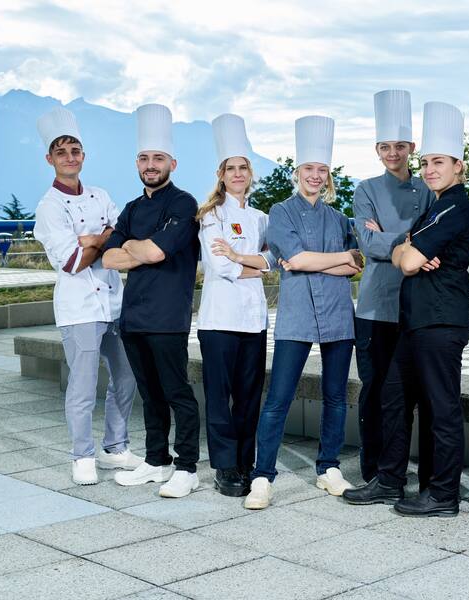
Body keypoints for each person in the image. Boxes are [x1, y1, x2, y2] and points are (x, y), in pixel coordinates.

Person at [244, 115, 363, 510]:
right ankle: (263, 475)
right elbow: (292, 258)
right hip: (296, 315)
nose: (316, 175)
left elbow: (357, 264)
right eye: (309, 169)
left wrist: (321, 260)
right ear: (298, 172)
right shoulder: (281, 211)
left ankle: (328, 467)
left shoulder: (339, 218)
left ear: (328, 176)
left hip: (338, 315)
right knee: (278, 397)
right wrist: (337, 259)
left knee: (335, 396)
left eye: (322, 170)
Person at [33, 107, 141, 486]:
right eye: (61, 152)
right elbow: (74, 262)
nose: (69, 157)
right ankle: (82, 456)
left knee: (126, 378)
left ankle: (115, 448)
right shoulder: (48, 208)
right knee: (81, 387)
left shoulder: (101, 195)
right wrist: (101, 239)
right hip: (79, 309)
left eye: (75, 150)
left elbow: (122, 234)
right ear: (50, 159)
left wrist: (94, 239)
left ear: (83, 155)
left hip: (115, 302)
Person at [102, 103, 201, 499]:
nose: (150, 164)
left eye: (158, 157)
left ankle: (188, 466)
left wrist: (131, 246)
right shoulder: (131, 208)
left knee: (177, 393)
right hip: (134, 318)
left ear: (172, 163)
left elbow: (158, 254)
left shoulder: (183, 204)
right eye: (144, 157)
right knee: (150, 394)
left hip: (167, 317)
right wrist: (136, 247)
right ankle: (156, 460)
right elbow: (110, 258)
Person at [384, 101, 469, 517]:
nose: (429, 169)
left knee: (442, 407)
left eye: (438, 161)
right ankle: (394, 480)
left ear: (459, 165)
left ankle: (443, 494)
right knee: (396, 396)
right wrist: (408, 246)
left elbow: (405, 261)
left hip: (441, 318)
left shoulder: (456, 205)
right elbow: (405, 252)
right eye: (425, 162)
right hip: (418, 320)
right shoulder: (432, 207)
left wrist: (408, 249)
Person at [350, 90, 434, 489]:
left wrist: (394, 238)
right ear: (377, 150)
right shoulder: (365, 189)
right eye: (385, 146)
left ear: (411, 148)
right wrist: (414, 239)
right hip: (374, 308)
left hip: (416, 307)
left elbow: (438, 238)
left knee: (413, 393)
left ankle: (403, 467)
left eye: (400, 146)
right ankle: (375, 469)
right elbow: (367, 245)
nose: (393, 152)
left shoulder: (429, 189)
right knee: (376, 391)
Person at [196, 113, 273, 497]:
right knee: (219, 398)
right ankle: (225, 467)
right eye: (231, 168)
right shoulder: (210, 215)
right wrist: (252, 263)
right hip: (219, 321)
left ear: (250, 173)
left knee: (248, 396)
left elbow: (273, 260)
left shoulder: (260, 217)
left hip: (254, 321)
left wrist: (243, 259)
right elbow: (218, 265)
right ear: (221, 174)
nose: (238, 173)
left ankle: (245, 461)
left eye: (243, 167)